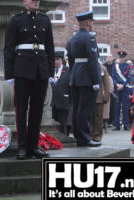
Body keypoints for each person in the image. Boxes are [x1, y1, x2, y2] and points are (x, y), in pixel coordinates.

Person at [4, 0, 55, 159]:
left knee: (37, 110)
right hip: (22, 70)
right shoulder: (16, 20)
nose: (36, 2)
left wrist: (51, 72)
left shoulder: (45, 20)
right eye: (32, 0)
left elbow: (50, 47)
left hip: (41, 70)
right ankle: (22, 147)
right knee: (21, 110)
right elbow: (9, 48)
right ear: (25, 2)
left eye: (38, 0)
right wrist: (9, 74)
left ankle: (33, 146)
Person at [66, 11, 101, 147]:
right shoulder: (89, 37)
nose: (92, 24)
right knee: (85, 109)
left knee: (76, 109)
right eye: (91, 21)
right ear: (88, 22)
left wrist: (74, 72)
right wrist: (96, 81)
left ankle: (78, 136)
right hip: (86, 77)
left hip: (75, 75)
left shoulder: (73, 38)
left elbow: (70, 59)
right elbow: (93, 60)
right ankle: (85, 137)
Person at [90, 64, 112, 142]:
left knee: (98, 118)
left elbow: (106, 84)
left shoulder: (102, 68)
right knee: (89, 118)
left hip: (99, 97)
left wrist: (106, 96)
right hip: (88, 97)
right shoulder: (87, 66)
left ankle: (97, 136)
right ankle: (89, 135)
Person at [50, 51, 70, 134]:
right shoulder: (50, 71)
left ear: (62, 60)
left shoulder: (68, 70)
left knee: (63, 123)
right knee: (53, 124)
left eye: (58, 59)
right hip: (52, 102)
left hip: (63, 101)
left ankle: (63, 138)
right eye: (54, 60)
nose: (56, 61)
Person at [112, 51, 132, 131]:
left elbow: (129, 78)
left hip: (125, 88)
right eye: (120, 57)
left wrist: (123, 85)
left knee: (125, 107)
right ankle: (117, 124)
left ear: (125, 58)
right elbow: (113, 77)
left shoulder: (128, 66)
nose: (121, 59)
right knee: (116, 106)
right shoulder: (115, 66)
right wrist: (117, 84)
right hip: (117, 88)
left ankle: (126, 124)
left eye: (122, 57)